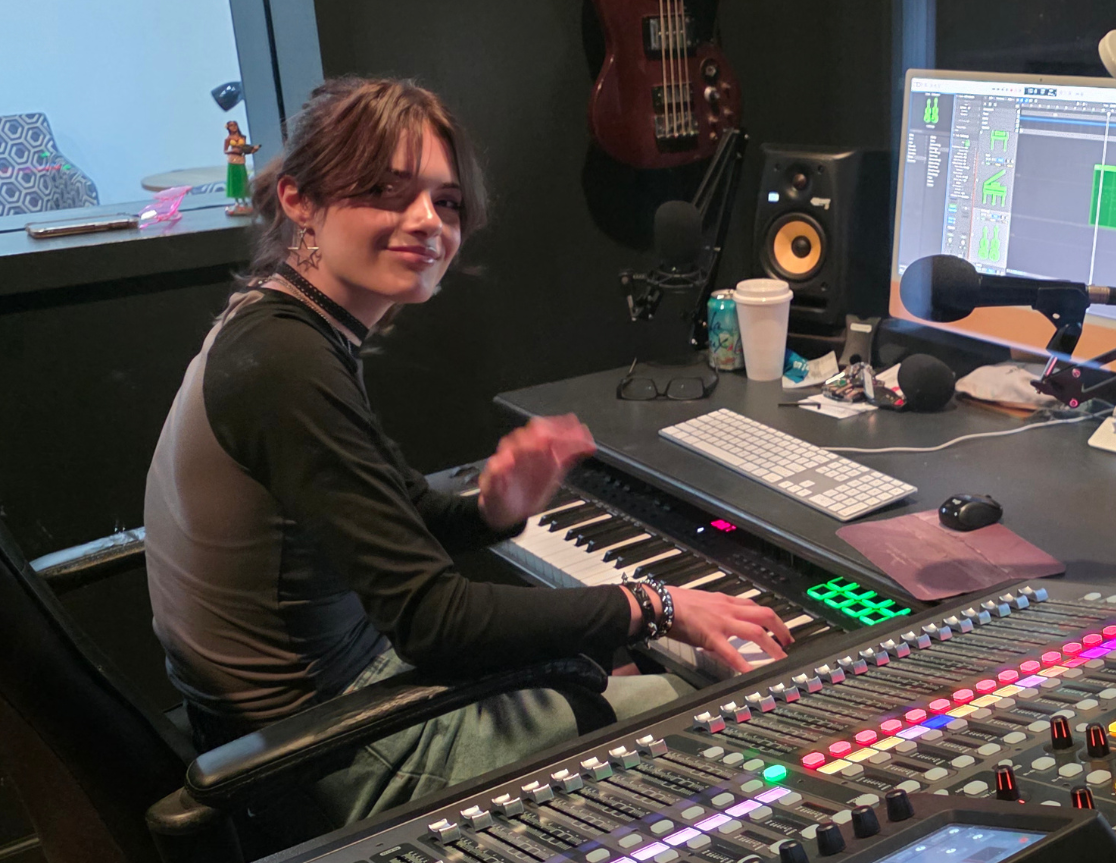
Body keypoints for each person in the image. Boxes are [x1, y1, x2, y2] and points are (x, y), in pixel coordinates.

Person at [144, 75, 791, 824]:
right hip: (328, 751)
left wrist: (491, 511)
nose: (427, 221)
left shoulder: (278, 325)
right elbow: (434, 620)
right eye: (386, 191)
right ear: (299, 200)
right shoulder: (289, 367)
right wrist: (653, 604)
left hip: (299, 714)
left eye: (446, 202)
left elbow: (403, 518)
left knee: (598, 658)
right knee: (710, 701)